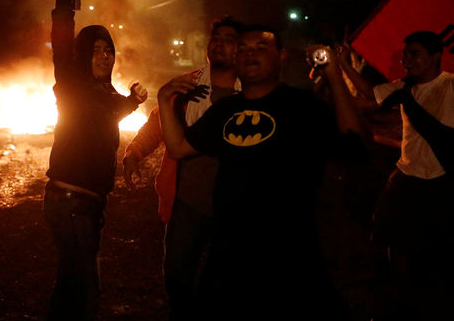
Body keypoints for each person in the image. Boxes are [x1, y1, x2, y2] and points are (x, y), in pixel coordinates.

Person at [159, 24, 370, 319]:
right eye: (242, 48)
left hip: (289, 251)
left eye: (261, 47)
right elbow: (179, 148)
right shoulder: (226, 110)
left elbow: (354, 145)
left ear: (281, 56)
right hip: (229, 253)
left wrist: (333, 74)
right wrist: (163, 100)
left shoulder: (301, 106)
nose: (249, 54)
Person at [45, 0, 148, 320]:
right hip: (71, 201)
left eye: (109, 50)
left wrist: (133, 100)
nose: (105, 56)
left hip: (89, 203)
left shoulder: (104, 94)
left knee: (71, 283)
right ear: (81, 55)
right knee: (87, 289)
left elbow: (113, 110)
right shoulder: (73, 84)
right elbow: (60, 41)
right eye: (96, 50)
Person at [122, 16, 240, 319]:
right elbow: (160, 123)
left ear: (241, 49)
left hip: (235, 206)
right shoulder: (187, 87)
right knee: (177, 276)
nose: (220, 44)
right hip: (188, 201)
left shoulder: (252, 93)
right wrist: (134, 153)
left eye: (229, 39)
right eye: (216, 38)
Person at [340, 31, 454, 317]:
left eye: (414, 54)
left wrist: (408, 101)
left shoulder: (450, 86)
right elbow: (371, 93)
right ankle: (397, 293)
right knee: (388, 230)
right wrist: (344, 65)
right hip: (406, 172)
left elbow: (443, 137)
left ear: (436, 56)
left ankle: (428, 297)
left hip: (440, 179)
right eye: (405, 54)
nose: (406, 60)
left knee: (433, 244)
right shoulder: (405, 86)